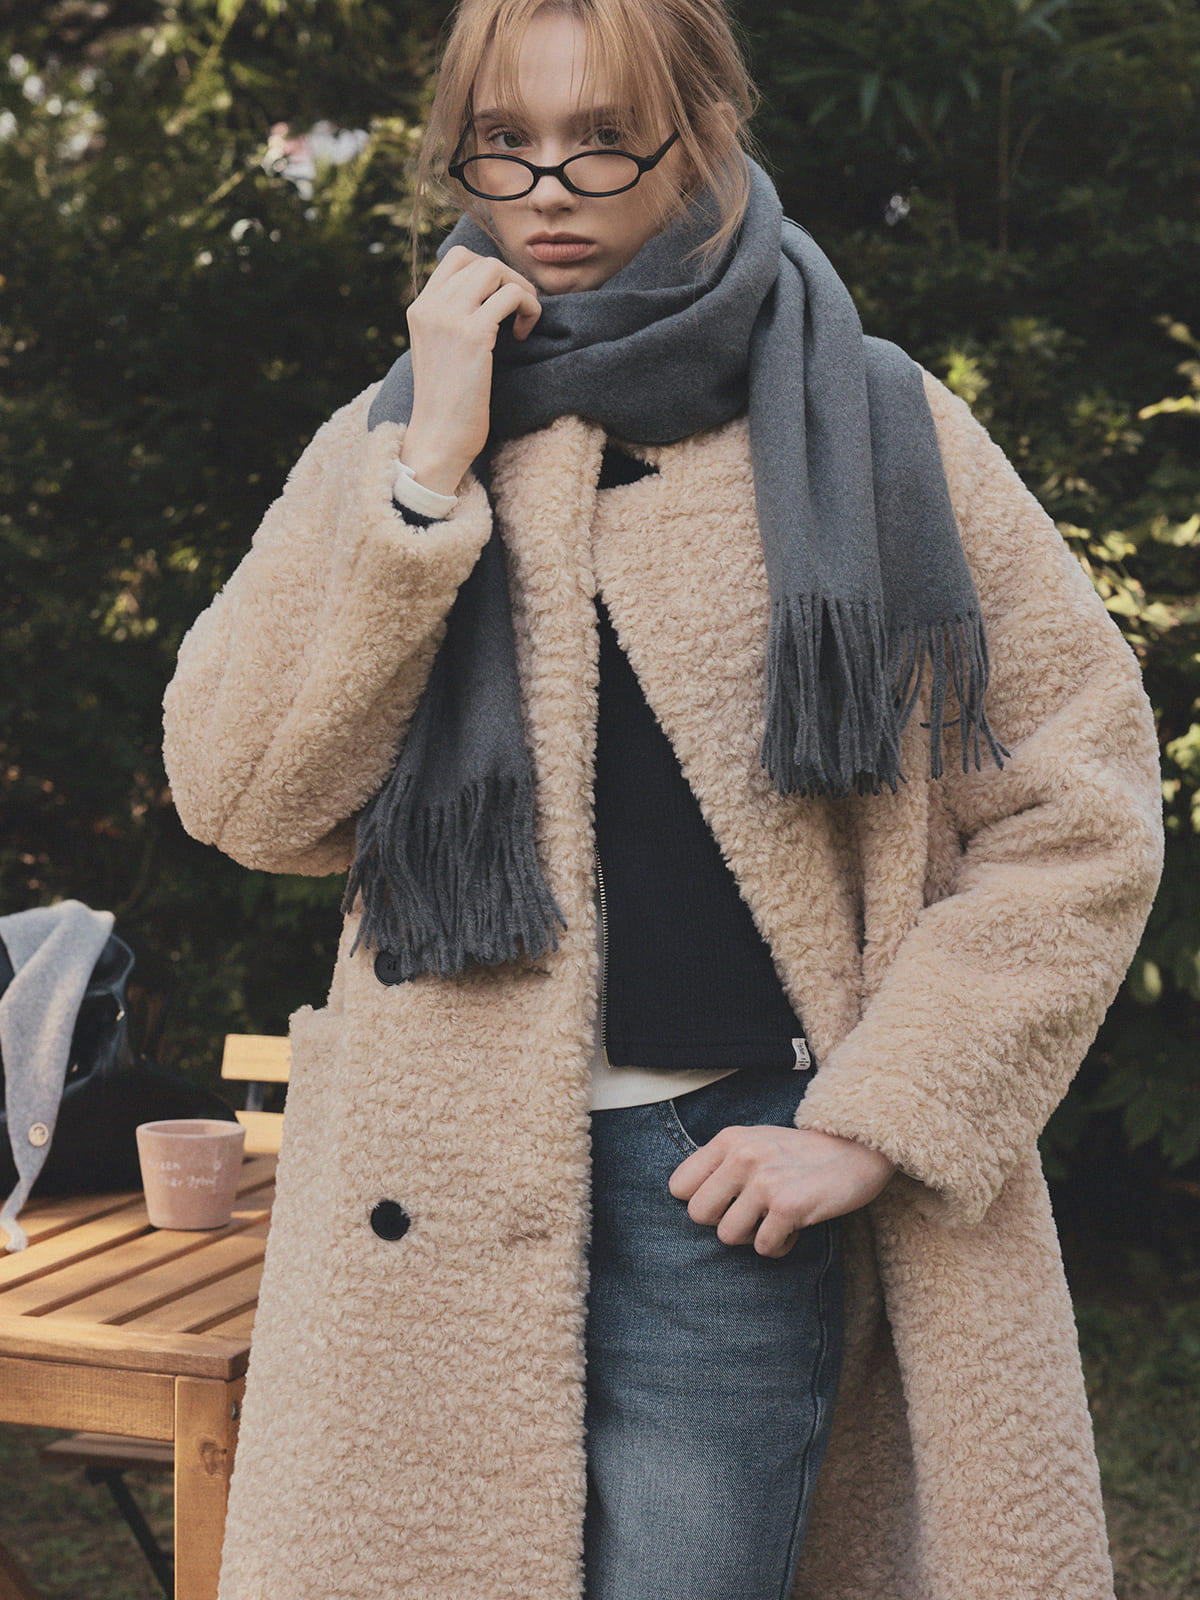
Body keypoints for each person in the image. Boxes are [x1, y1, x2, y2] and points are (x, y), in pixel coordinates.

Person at [161, 1, 1163, 1596]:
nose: (549, 188)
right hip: (433, 1187)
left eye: (603, 140)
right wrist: (425, 477)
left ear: (699, 133)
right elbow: (243, 795)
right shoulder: (401, 430)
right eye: (505, 141)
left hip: (728, 1184)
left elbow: (1078, 805)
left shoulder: (873, 419)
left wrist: (881, 1119)